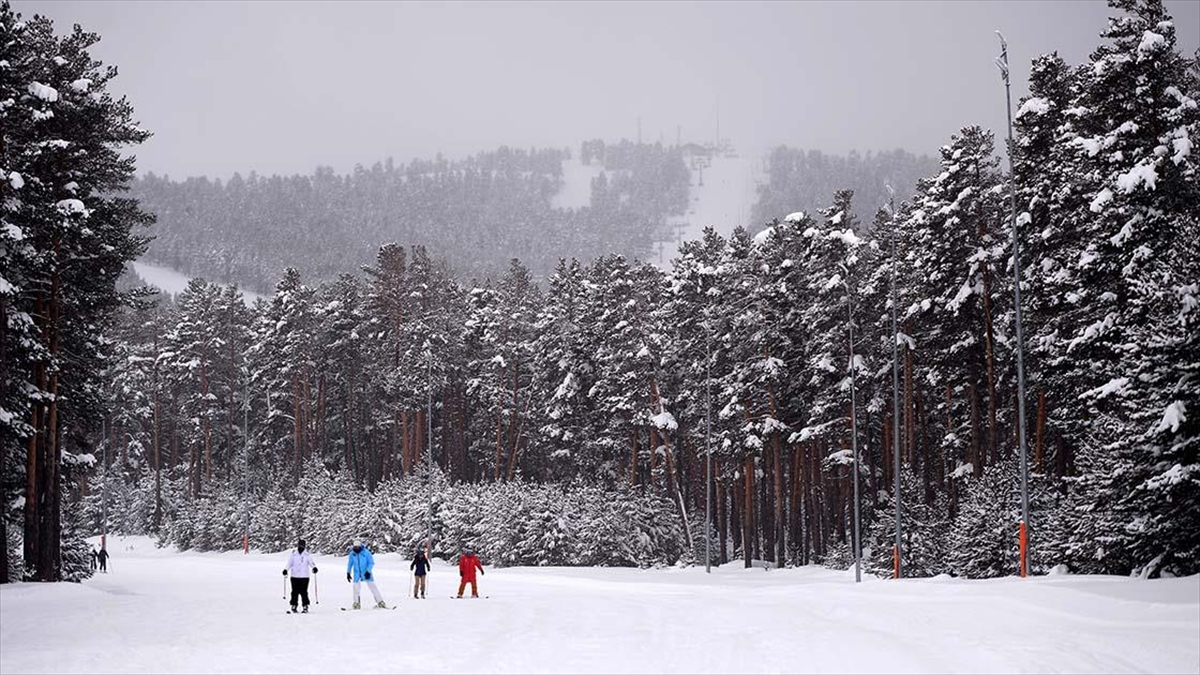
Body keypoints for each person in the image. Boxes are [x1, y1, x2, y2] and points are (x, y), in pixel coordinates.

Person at [345, 539, 386, 609]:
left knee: (373, 587)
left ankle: (380, 602)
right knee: (356, 588)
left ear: (360, 546)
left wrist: (368, 571)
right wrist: (348, 573)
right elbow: (350, 564)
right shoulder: (352, 554)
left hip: (366, 573)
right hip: (357, 573)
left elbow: (371, 563)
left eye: (357, 547)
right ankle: (356, 604)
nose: (356, 549)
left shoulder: (366, 552)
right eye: (355, 547)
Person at [283, 538, 318, 613]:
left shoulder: (307, 555)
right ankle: (294, 605)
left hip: (304, 576)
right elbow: (289, 563)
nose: (301, 547)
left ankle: (305, 605)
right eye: (300, 545)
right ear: (298, 545)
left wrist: (314, 568)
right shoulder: (293, 554)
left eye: (303, 545)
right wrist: (286, 569)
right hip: (294, 576)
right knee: (294, 592)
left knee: (304, 592)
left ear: (304, 546)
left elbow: (311, 563)